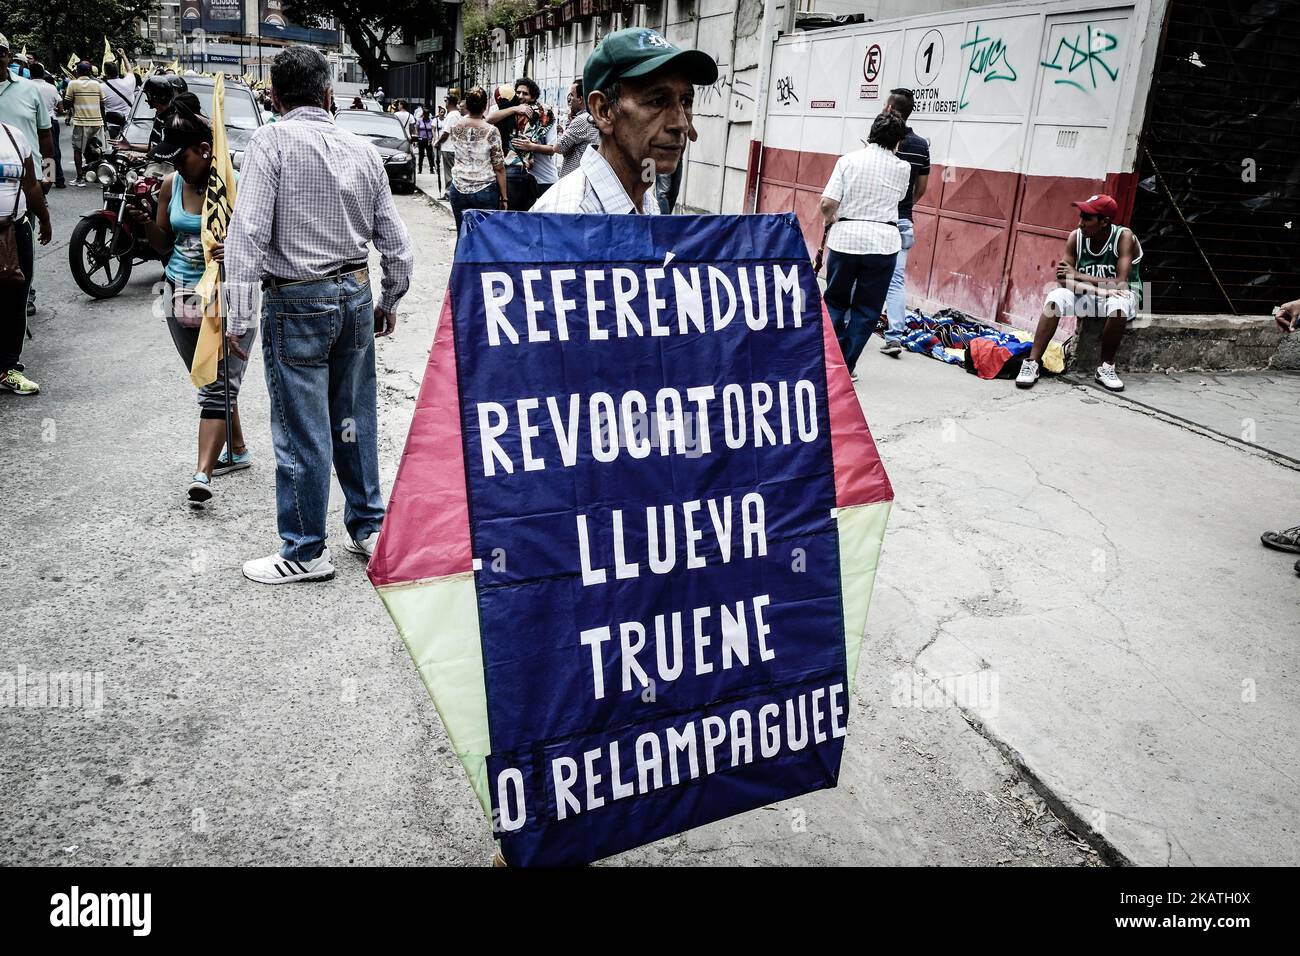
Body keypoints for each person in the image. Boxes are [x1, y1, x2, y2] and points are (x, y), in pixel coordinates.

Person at [224, 45, 413, 584]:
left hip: (297, 301)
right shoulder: (362, 148)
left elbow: (249, 235)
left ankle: (306, 550)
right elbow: (398, 245)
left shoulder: (271, 141)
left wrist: (238, 317)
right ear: (329, 95)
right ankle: (369, 527)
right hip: (354, 297)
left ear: (276, 98)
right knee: (354, 420)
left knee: (303, 430)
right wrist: (389, 300)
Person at [129, 110, 257, 506]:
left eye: (181, 157)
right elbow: (164, 245)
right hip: (178, 294)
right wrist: (143, 225)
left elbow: (264, 239)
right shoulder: (171, 184)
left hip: (232, 293)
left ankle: (202, 473)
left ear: (205, 149)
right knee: (209, 381)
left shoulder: (237, 186)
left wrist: (235, 247)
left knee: (217, 386)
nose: (176, 167)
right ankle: (236, 447)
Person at [533, 28, 717, 215]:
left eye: (686, 101)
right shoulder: (568, 218)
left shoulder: (646, 203)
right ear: (603, 111)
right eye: (657, 101)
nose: (681, 124)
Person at [1016, 194, 1143, 391]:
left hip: (1121, 294)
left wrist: (1078, 274)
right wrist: (1097, 290)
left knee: (1119, 305)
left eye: (1087, 218)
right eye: (1081, 216)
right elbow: (1063, 280)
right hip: (1093, 294)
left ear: (1105, 222)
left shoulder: (1124, 237)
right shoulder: (1076, 237)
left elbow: (1120, 283)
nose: (1080, 223)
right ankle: (1032, 363)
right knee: (1055, 298)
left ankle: (1105, 367)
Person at [819, 112, 910, 379]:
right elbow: (901, 197)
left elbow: (827, 203)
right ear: (897, 142)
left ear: (870, 135)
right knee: (867, 310)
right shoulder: (903, 168)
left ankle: (829, 361)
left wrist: (829, 219)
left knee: (835, 302)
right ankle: (846, 367)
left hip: (846, 239)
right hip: (883, 244)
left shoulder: (848, 161)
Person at [0, 117, 52, 396]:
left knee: (15, 298)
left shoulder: (14, 137)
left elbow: (30, 185)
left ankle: (8, 369)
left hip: (14, 230)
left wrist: (44, 218)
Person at [880, 88, 930, 357]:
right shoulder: (921, 146)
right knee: (896, 280)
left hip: (879, 220)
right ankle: (894, 337)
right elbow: (921, 188)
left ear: (889, 109)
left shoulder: (881, 139)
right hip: (903, 221)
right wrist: (905, 205)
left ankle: (848, 329)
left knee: (859, 275)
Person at [511, 78, 599, 181]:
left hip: (559, 178)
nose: (568, 98)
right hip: (524, 176)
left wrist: (531, 146)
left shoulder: (546, 115)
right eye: (518, 92)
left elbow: (557, 148)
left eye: (571, 95)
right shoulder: (591, 117)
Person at [445, 86, 506, 233]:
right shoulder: (491, 131)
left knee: (463, 235)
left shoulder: (455, 127)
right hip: (484, 190)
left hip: (458, 188)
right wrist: (504, 198)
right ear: (485, 107)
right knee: (484, 238)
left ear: (466, 105)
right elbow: (499, 167)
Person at [488, 78, 542, 210]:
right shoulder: (506, 108)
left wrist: (531, 153)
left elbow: (534, 138)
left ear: (533, 96)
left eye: (525, 94)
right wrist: (515, 108)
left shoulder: (534, 112)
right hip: (504, 169)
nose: (520, 96)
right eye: (518, 92)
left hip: (517, 170)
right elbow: (489, 119)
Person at [63, 61, 104, 186]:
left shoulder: (73, 84)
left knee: (77, 150)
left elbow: (67, 103)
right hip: (97, 120)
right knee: (99, 149)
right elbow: (102, 103)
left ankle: (80, 177)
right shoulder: (97, 84)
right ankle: (101, 175)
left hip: (81, 122)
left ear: (77, 71)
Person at [30, 64, 64, 189]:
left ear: (30, 73)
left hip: (34, 122)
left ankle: (38, 183)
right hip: (51, 121)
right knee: (53, 153)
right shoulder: (51, 87)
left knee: (34, 153)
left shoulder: (28, 87)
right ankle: (54, 180)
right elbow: (60, 107)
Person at [433, 93, 462, 198]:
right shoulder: (457, 114)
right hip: (453, 147)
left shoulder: (451, 116)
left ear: (449, 102)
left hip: (449, 147)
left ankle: (449, 193)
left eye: (446, 101)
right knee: (452, 171)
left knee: (449, 172)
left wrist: (438, 142)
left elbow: (446, 133)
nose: (445, 103)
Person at [414, 104, 435, 174]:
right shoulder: (420, 120)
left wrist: (432, 138)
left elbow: (433, 130)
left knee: (429, 155)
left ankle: (431, 169)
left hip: (428, 139)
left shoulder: (431, 121)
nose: (425, 115)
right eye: (424, 114)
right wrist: (417, 138)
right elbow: (416, 129)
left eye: (427, 114)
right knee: (421, 155)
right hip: (421, 139)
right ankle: (420, 169)